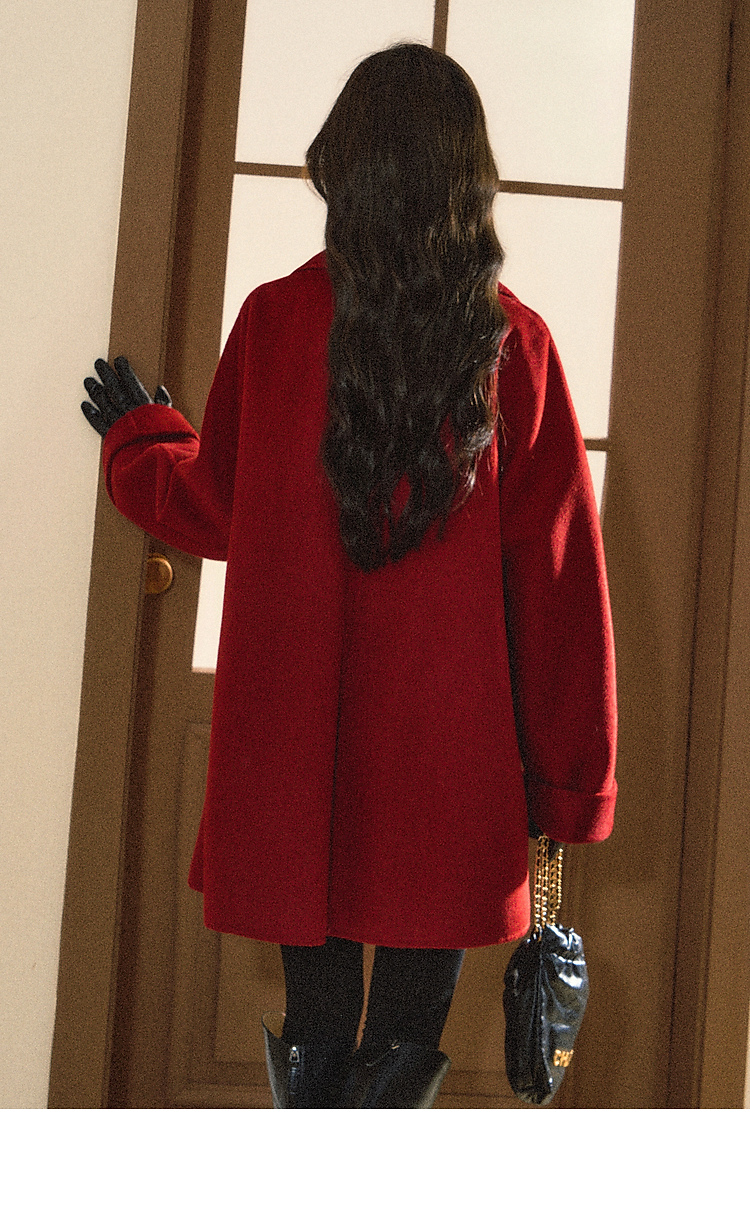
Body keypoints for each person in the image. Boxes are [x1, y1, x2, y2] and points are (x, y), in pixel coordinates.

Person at [81, 42, 617, 1109]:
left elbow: (215, 507)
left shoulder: (277, 324)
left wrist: (144, 442)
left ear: (342, 168)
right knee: (410, 1031)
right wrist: (571, 778)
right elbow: (560, 588)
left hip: (300, 752)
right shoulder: (515, 346)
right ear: (469, 180)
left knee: (316, 1028)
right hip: (450, 762)